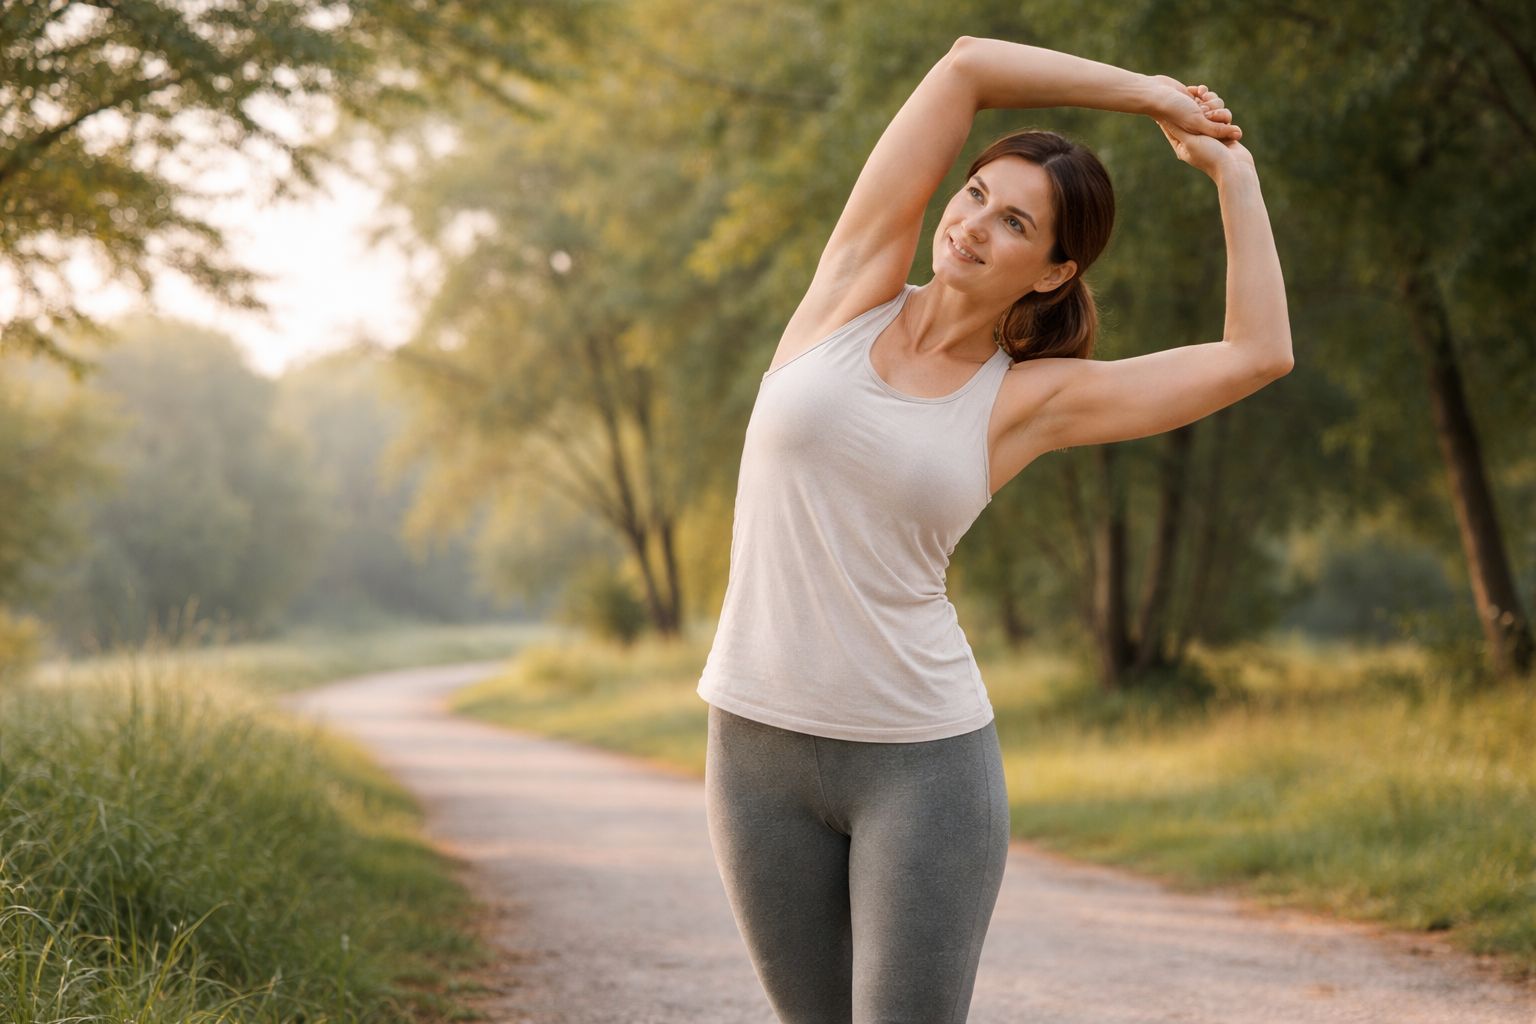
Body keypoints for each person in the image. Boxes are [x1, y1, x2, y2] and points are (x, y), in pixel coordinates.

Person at [696, 34, 1292, 1024]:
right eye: (974, 194)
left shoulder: (1025, 401)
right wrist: (1151, 95)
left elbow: (1257, 353)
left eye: (1014, 221)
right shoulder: (847, 292)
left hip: (920, 766)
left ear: (1055, 272)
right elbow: (967, 65)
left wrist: (1232, 170)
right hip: (752, 746)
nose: (972, 224)